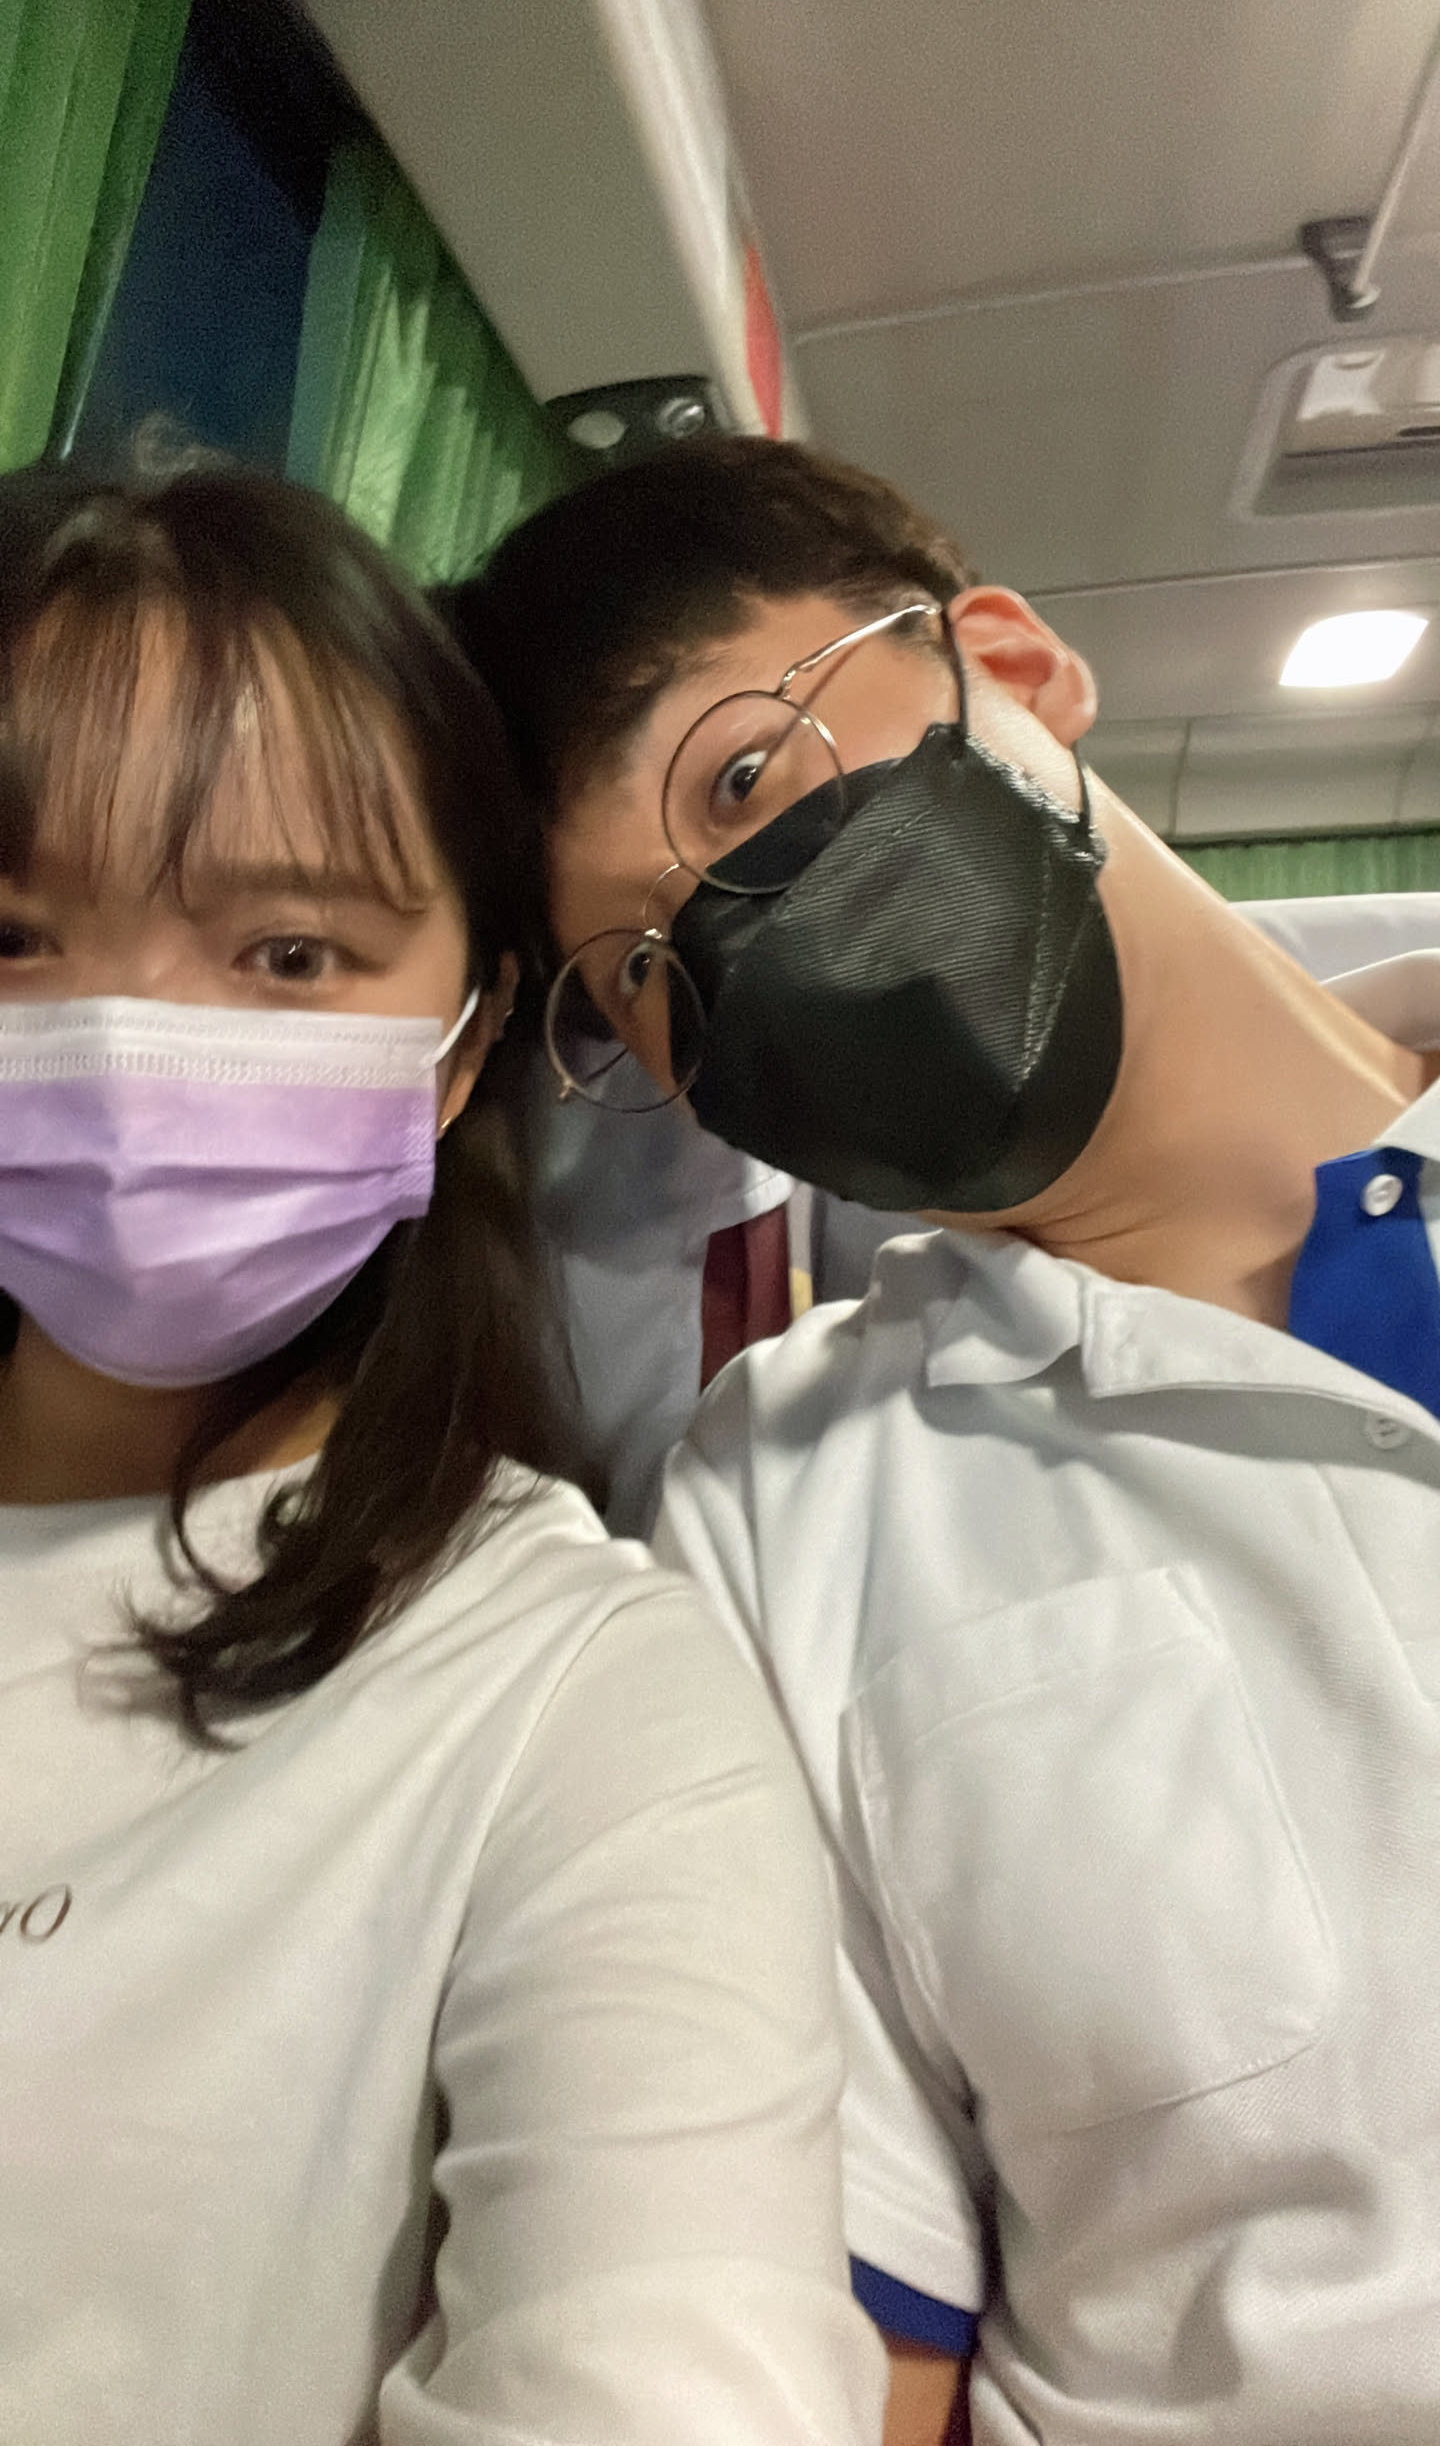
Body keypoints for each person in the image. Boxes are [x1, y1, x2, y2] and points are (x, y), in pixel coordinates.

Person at [454, 434, 1440, 2446]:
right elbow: (858, 2341)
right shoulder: (789, 1504)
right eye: (638, 969)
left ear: (1015, 662)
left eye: (745, 777)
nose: (737, 935)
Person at [0, 461, 888, 2446]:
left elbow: (671, 2354)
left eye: (288, 954)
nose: (123, 1049)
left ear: (467, 1043)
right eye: (13, 932)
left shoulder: (579, 1697)